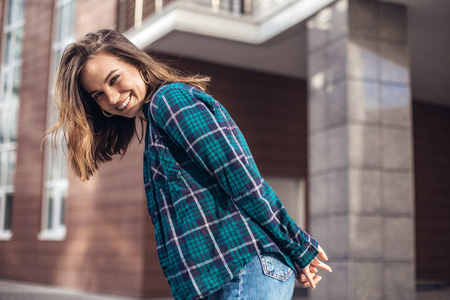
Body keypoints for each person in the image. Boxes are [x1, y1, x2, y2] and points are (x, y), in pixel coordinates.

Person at [45, 29, 332, 300]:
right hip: (231, 276)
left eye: (114, 79)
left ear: (136, 63)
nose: (113, 98)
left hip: (245, 268)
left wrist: (297, 244)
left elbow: (239, 176)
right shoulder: (156, 125)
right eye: (98, 95)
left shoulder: (170, 100)